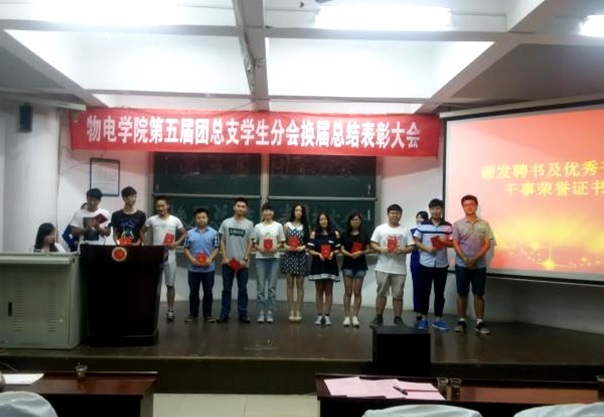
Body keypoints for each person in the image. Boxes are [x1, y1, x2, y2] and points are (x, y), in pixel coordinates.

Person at [452, 194, 495, 335]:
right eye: (466, 205)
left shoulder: (484, 224)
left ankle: (479, 322)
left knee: (479, 294)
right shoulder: (457, 224)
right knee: (462, 293)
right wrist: (465, 259)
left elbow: (487, 244)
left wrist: (475, 258)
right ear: (463, 207)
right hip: (461, 264)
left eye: (471, 204)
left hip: (479, 265)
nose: (469, 207)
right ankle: (461, 321)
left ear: (476, 206)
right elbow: (455, 243)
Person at [140, 196, 187, 322]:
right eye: (158, 206)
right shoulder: (151, 219)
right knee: (152, 284)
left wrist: (176, 243)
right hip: (155, 256)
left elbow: (184, 233)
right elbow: (142, 231)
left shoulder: (175, 220)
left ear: (167, 206)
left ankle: (170, 310)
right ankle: (149, 309)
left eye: (162, 206)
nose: (160, 208)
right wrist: (147, 245)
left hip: (170, 256)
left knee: (170, 285)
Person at [369, 204, 415, 327]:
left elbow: (412, 246)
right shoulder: (380, 229)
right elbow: (373, 243)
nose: (395, 215)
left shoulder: (405, 230)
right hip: (382, 267)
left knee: (398, 294)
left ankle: (398, 318)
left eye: (397, 213)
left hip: (399, 269)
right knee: (381, 293)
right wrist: (381, 249)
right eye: (392, 213)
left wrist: (403, 250)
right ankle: (378, 316)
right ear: (388, 214)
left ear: (401, 215)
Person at [413, 199, 453, 331]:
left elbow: (453, 243)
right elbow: (416, 241)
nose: (436, 211)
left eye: (438, 208)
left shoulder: (448, 226)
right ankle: (424, 319)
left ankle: (438, 320)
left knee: (439, 293)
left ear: (442, 210)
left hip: (442, 264)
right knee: (424, 292)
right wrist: (427, 249)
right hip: (425, 264)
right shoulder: (422, 225)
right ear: (430, 210)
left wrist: (444, 242)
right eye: (433, 208)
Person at [217, 197, 254, 323]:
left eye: (243, 207)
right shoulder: (226, 222)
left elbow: (250, 243)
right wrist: (225, 257)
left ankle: (243, 313)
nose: (241, 208)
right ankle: (224, 313)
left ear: (246, 209)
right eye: (238, 206)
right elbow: (222, 241)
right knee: (226, 289)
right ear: (234, 207)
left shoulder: (249, 224)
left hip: (242, 264)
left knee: (242, 289)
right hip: (228, 262)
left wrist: (245, 259)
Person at [183, 207, 220, 323]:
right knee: (193, 292)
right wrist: (191, 259)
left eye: (203, 217)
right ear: (195, 219)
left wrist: (210, 258)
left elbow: (217, 248)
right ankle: (193, 314)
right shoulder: (189, 233)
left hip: (208, 269)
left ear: (207, 219)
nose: (201, 219)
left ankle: (207, 315)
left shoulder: (214, 233)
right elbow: (186, 248)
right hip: (193, 269)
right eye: (198, 217)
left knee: (208, 292)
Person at [253, 202, 285, 324]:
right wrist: (259, 248)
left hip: (274, 259)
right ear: (262, 212)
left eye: (270, 210)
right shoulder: (258, 226)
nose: (268, 213)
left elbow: (281, 242)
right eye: (265, 210)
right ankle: (261, 311)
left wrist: (276, 247)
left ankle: (270, 311)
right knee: (261, 287)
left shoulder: (278, 226)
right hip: (260, 259)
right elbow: (254, 242)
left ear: (273, 212)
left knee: (272, 287)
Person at [307, 212, 341, 326]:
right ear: (318, 221)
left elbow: (338, 249)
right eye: (321, 219)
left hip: (330, 265)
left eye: (325, 219)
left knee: (329, 291)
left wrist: (332, 253)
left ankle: (327, 316)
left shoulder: (334, 233)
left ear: (328, 220)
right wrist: (318, 254)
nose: (323, 221)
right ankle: (319, 316)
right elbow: (310, 250)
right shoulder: (314, 234)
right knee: (319, 291)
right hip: (318, 265)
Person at [280, 203, 310, 323]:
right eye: (296, 210)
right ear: (293, 212)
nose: (298, 212)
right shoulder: (286, 225)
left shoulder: (306, 226)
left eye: (301, 211)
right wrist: (286, 246)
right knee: (290, 284)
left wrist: (303, 247)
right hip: (289, 256)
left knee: (300, 285)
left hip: (300, 256)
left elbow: (309, 243)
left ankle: (299, 310)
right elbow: (282, 242)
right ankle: (291, 310)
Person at [340, 212, 371, 327]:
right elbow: (341, 248)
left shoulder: (364, 234)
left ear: (360, 221)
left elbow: (369, 249)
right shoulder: (344, 234)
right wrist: (349, 254)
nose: (355, 222)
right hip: (348, 264)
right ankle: (347, 316)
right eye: (353, 220)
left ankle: (355, 317)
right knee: (348, 292)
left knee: (357, 292)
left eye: (357, 219)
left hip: (360, 265)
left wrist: (361, 252)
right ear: (349, 221)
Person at [410, 210, 429, 326]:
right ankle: (418, 310)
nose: (419, 220)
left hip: (428, 260)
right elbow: (409, 245)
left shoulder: (429, 230)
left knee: (425, 286)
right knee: (416, 285)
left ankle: (424, 310)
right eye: (418, 217)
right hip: (415, 260)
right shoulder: (412, 231)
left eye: (422, 218)